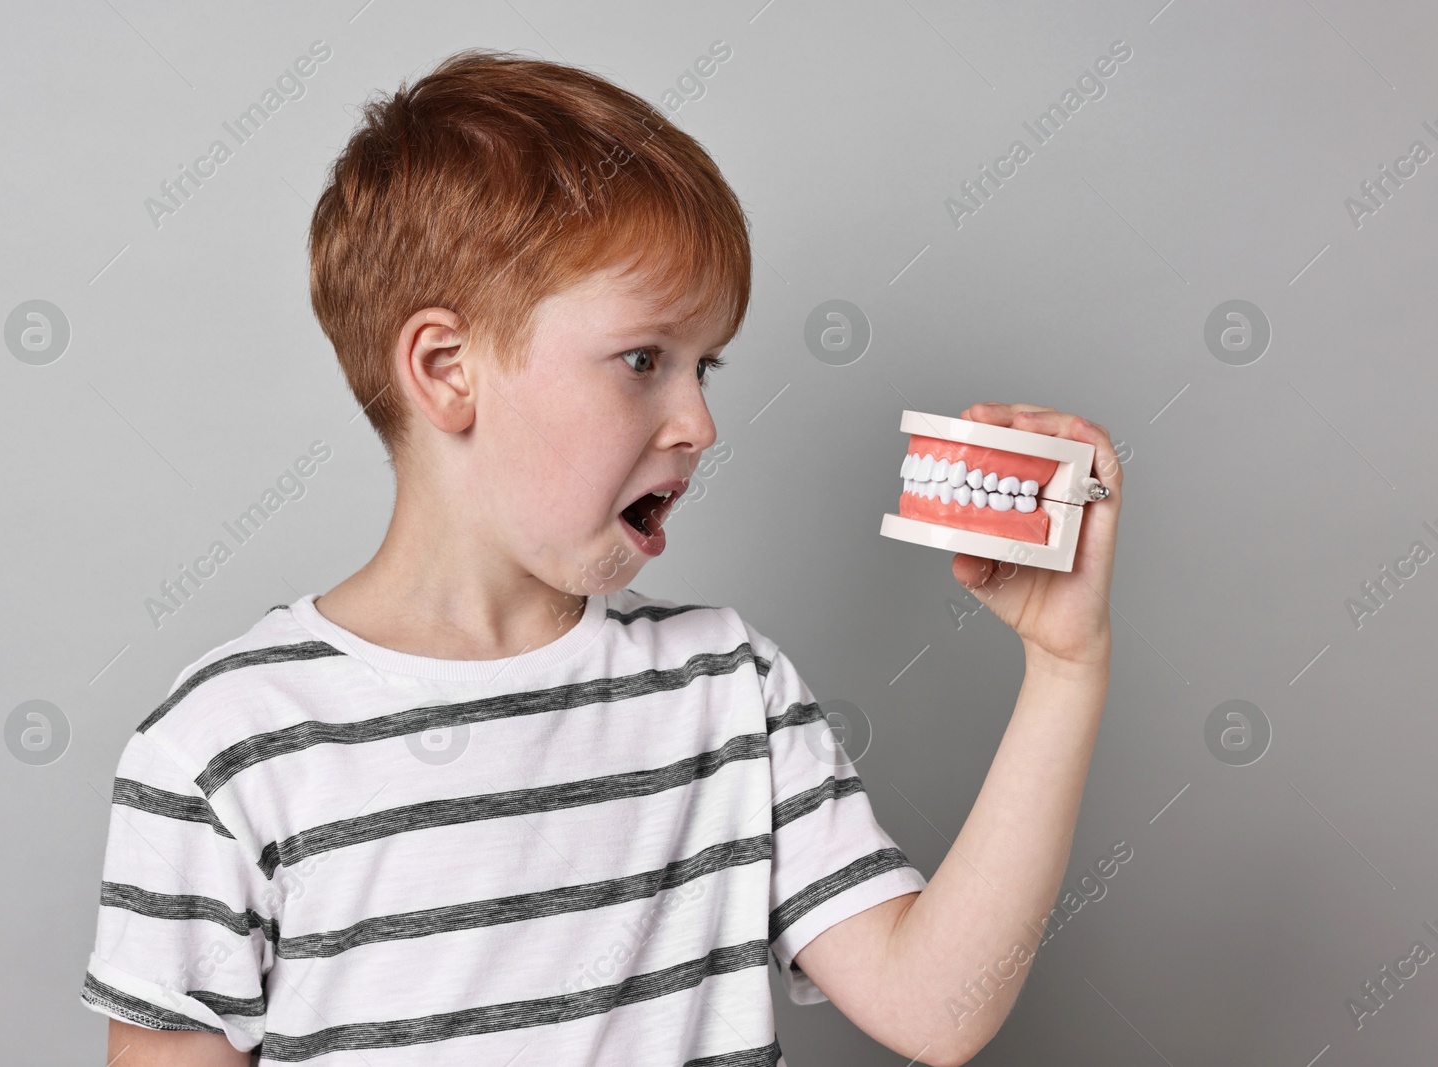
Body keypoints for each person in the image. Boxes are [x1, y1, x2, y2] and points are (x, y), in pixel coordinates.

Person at [79, 47, 1121, 1067]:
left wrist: (1065, 665)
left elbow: (938, 1010)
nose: (700, 421)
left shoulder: (726, 692)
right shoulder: (224, 747)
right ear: (447, 370)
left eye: (703, 364)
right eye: (643, 359)